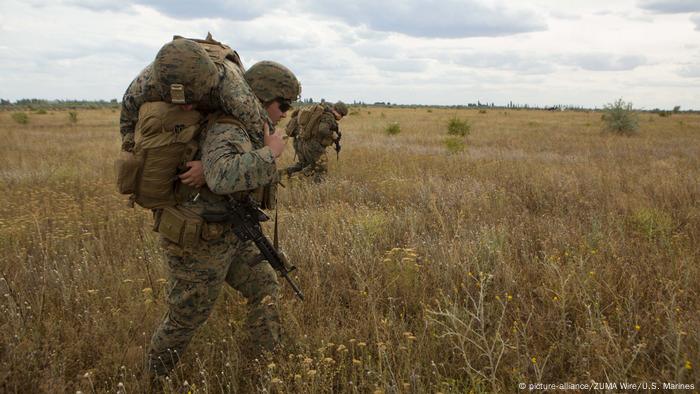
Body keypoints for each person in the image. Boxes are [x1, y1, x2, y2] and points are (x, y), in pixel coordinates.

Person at [146, 60, 300, 378]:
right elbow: (221, 176)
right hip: (199, 238)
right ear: (262, 97)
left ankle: (262, 368)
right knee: (187, 315)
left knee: (265, 285)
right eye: (282, 104)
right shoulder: (229, 127)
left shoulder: (250, 128)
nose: (285, 112)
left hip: (229, 231)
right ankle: (153, 377)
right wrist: (271, 153)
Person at [285, 101, 348, 182]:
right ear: (338, 111)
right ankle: (304, 182)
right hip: (314, 145)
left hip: (304, 142)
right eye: (342, 115)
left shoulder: (322, 114)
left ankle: (286, 174)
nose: (341, 117)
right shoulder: (328, 117)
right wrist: (332, 134)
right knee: (321, 168)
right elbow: (322, 129)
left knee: (308, 165)